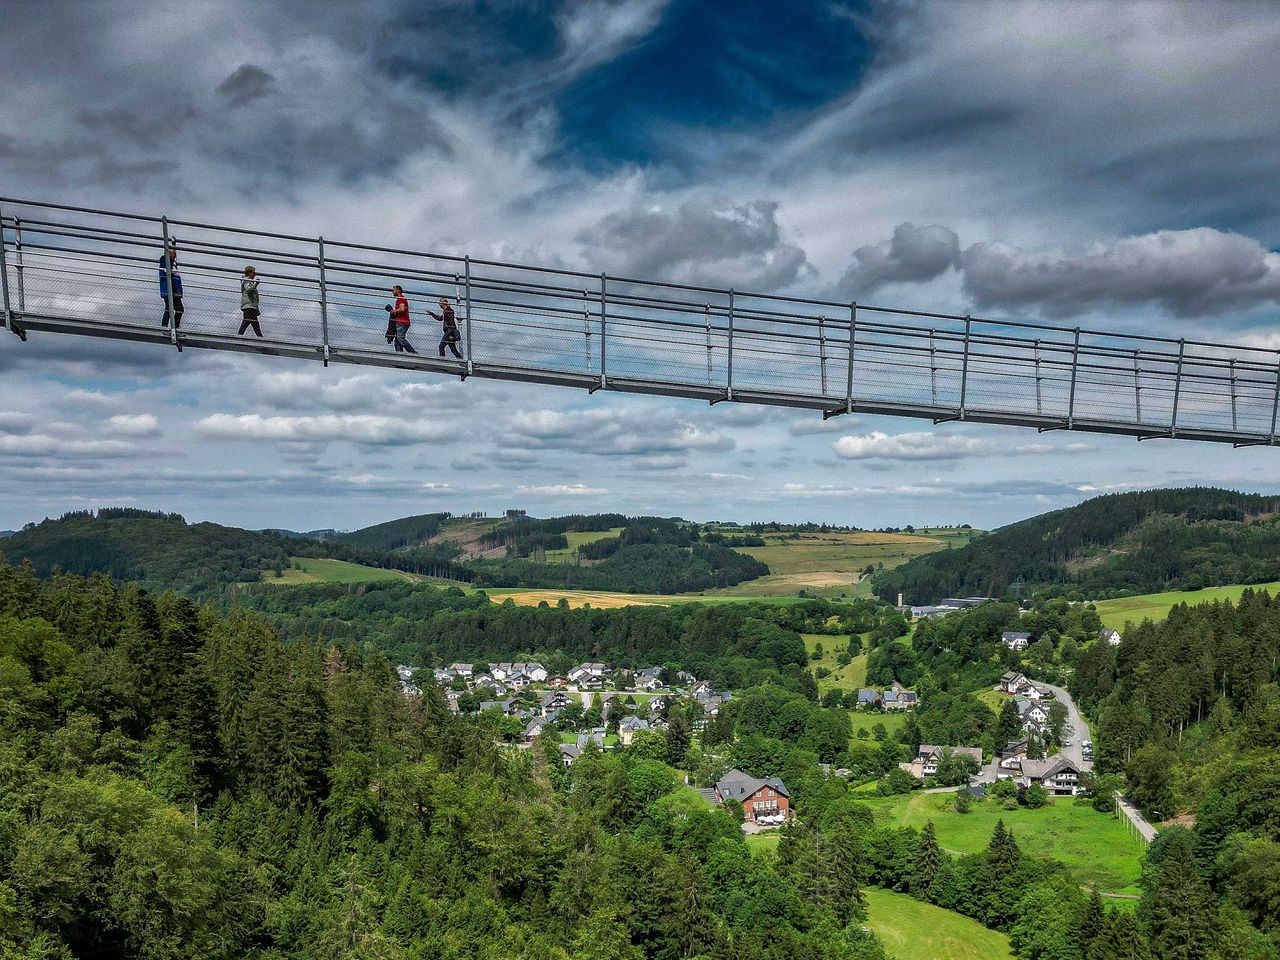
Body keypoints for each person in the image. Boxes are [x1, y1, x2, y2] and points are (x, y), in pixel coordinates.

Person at [159, 244, 184, 329]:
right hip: (169, 289)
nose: (175, 255)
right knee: (174, 308)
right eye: (174, 252)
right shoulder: (165, 259)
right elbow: (166, 270)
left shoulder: (172, 263)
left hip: (174, 290)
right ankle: (167, 326)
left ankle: (172, 327)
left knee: (175, 308)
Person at [386, 285, 416, 353]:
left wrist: (394, 311)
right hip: (400, 322)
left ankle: (413, 353)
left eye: (394, 290)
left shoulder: (401, 298)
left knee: (400, 339)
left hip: (402, 322)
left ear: (398, 290)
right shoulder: (398, 300)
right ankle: (399, 355)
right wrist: (393, 312)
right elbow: (400, 311)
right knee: (397, 341)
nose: (392, 292)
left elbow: (402, 309)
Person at [238, 266, 263, 337]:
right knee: (250, 322)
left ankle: (260, 337)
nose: (255, 274)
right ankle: (260, 338)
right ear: (249, 273)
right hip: (249, 305)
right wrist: (256, 284)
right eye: (253, 272)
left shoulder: (249, 281)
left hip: (251, 306)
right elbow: (249, 290)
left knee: (251, 322)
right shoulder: (246, 281)